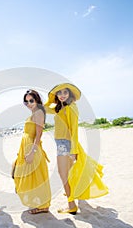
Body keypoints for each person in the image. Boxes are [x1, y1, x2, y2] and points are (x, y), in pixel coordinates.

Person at [45, 83, 108, 214]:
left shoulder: (71, 108)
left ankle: (71, 204)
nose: (62, 95)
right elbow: (45, 108)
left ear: (70, 95)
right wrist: (52, 99)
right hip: (62, 143)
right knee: (68, 174)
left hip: (65, 145)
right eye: (59, 93)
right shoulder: (60, 108)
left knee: (63, 175)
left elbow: (74, 130)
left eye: (65, 93)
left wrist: (73, 152)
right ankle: (72, 196)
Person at [13, 89, 52, 214]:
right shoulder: (34, 113)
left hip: (33, 149)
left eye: (31, 100)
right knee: (26, 175)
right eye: (26, 102)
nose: (29, 104)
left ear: (37, 100)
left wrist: (32, 152)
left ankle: (43, 206)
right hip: (26, 148)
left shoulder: (39, 113)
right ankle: (39, 203)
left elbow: (38, 135)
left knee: (37, 177)